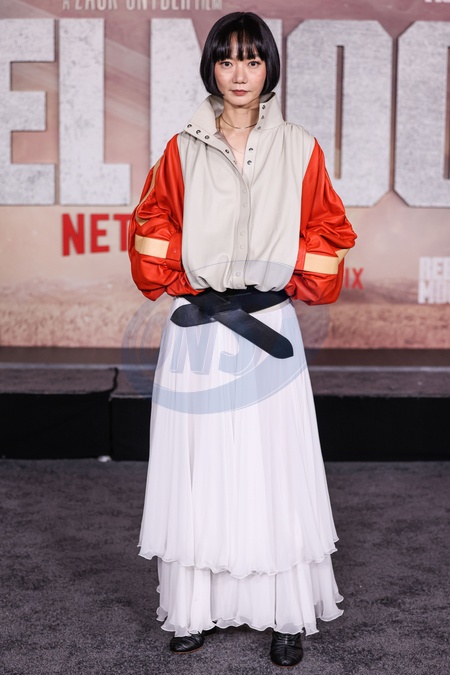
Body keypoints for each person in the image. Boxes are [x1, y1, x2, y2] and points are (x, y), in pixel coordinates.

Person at [129, 12, 356, 668]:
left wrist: (279, 269)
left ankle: (285, 612)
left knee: (271, 469)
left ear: (268, 69)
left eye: (251, 60)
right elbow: (152, 224)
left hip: (268, 329)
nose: (238, 74)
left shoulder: (300, 148)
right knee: (201, 472)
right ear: (211, 68)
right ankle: (195, 609)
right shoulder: (180, 148)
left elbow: (329, 231)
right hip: (198, 327)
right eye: (226, 60)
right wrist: (192, 280)